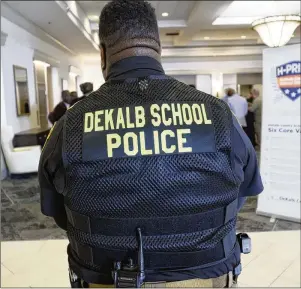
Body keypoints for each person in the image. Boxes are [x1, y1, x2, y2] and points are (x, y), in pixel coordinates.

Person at [39, 0, 263, 287]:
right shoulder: (217, 114)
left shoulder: (70, 125)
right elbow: (243, 191)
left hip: (107, 279)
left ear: (103, 54)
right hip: (205, 276)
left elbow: (59, 213)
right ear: (158, 48)